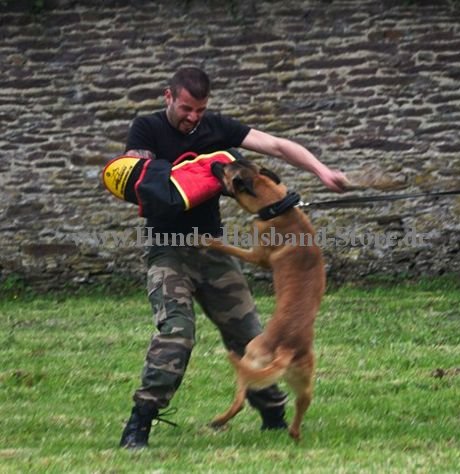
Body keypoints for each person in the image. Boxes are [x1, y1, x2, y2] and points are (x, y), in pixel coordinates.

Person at [119, 67, 348, 449]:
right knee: (176, 334)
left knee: (250, 336)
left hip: (212, 251)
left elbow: (276, 146)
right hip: (168, 250)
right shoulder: (147, 129)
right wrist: (182, 178)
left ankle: (274, 415)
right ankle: (139, 424)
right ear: (168, 97)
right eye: (187, 108)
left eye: (201, 109)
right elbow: (135, 177)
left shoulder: (216, 127)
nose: (194, 117)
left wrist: (322, 171)